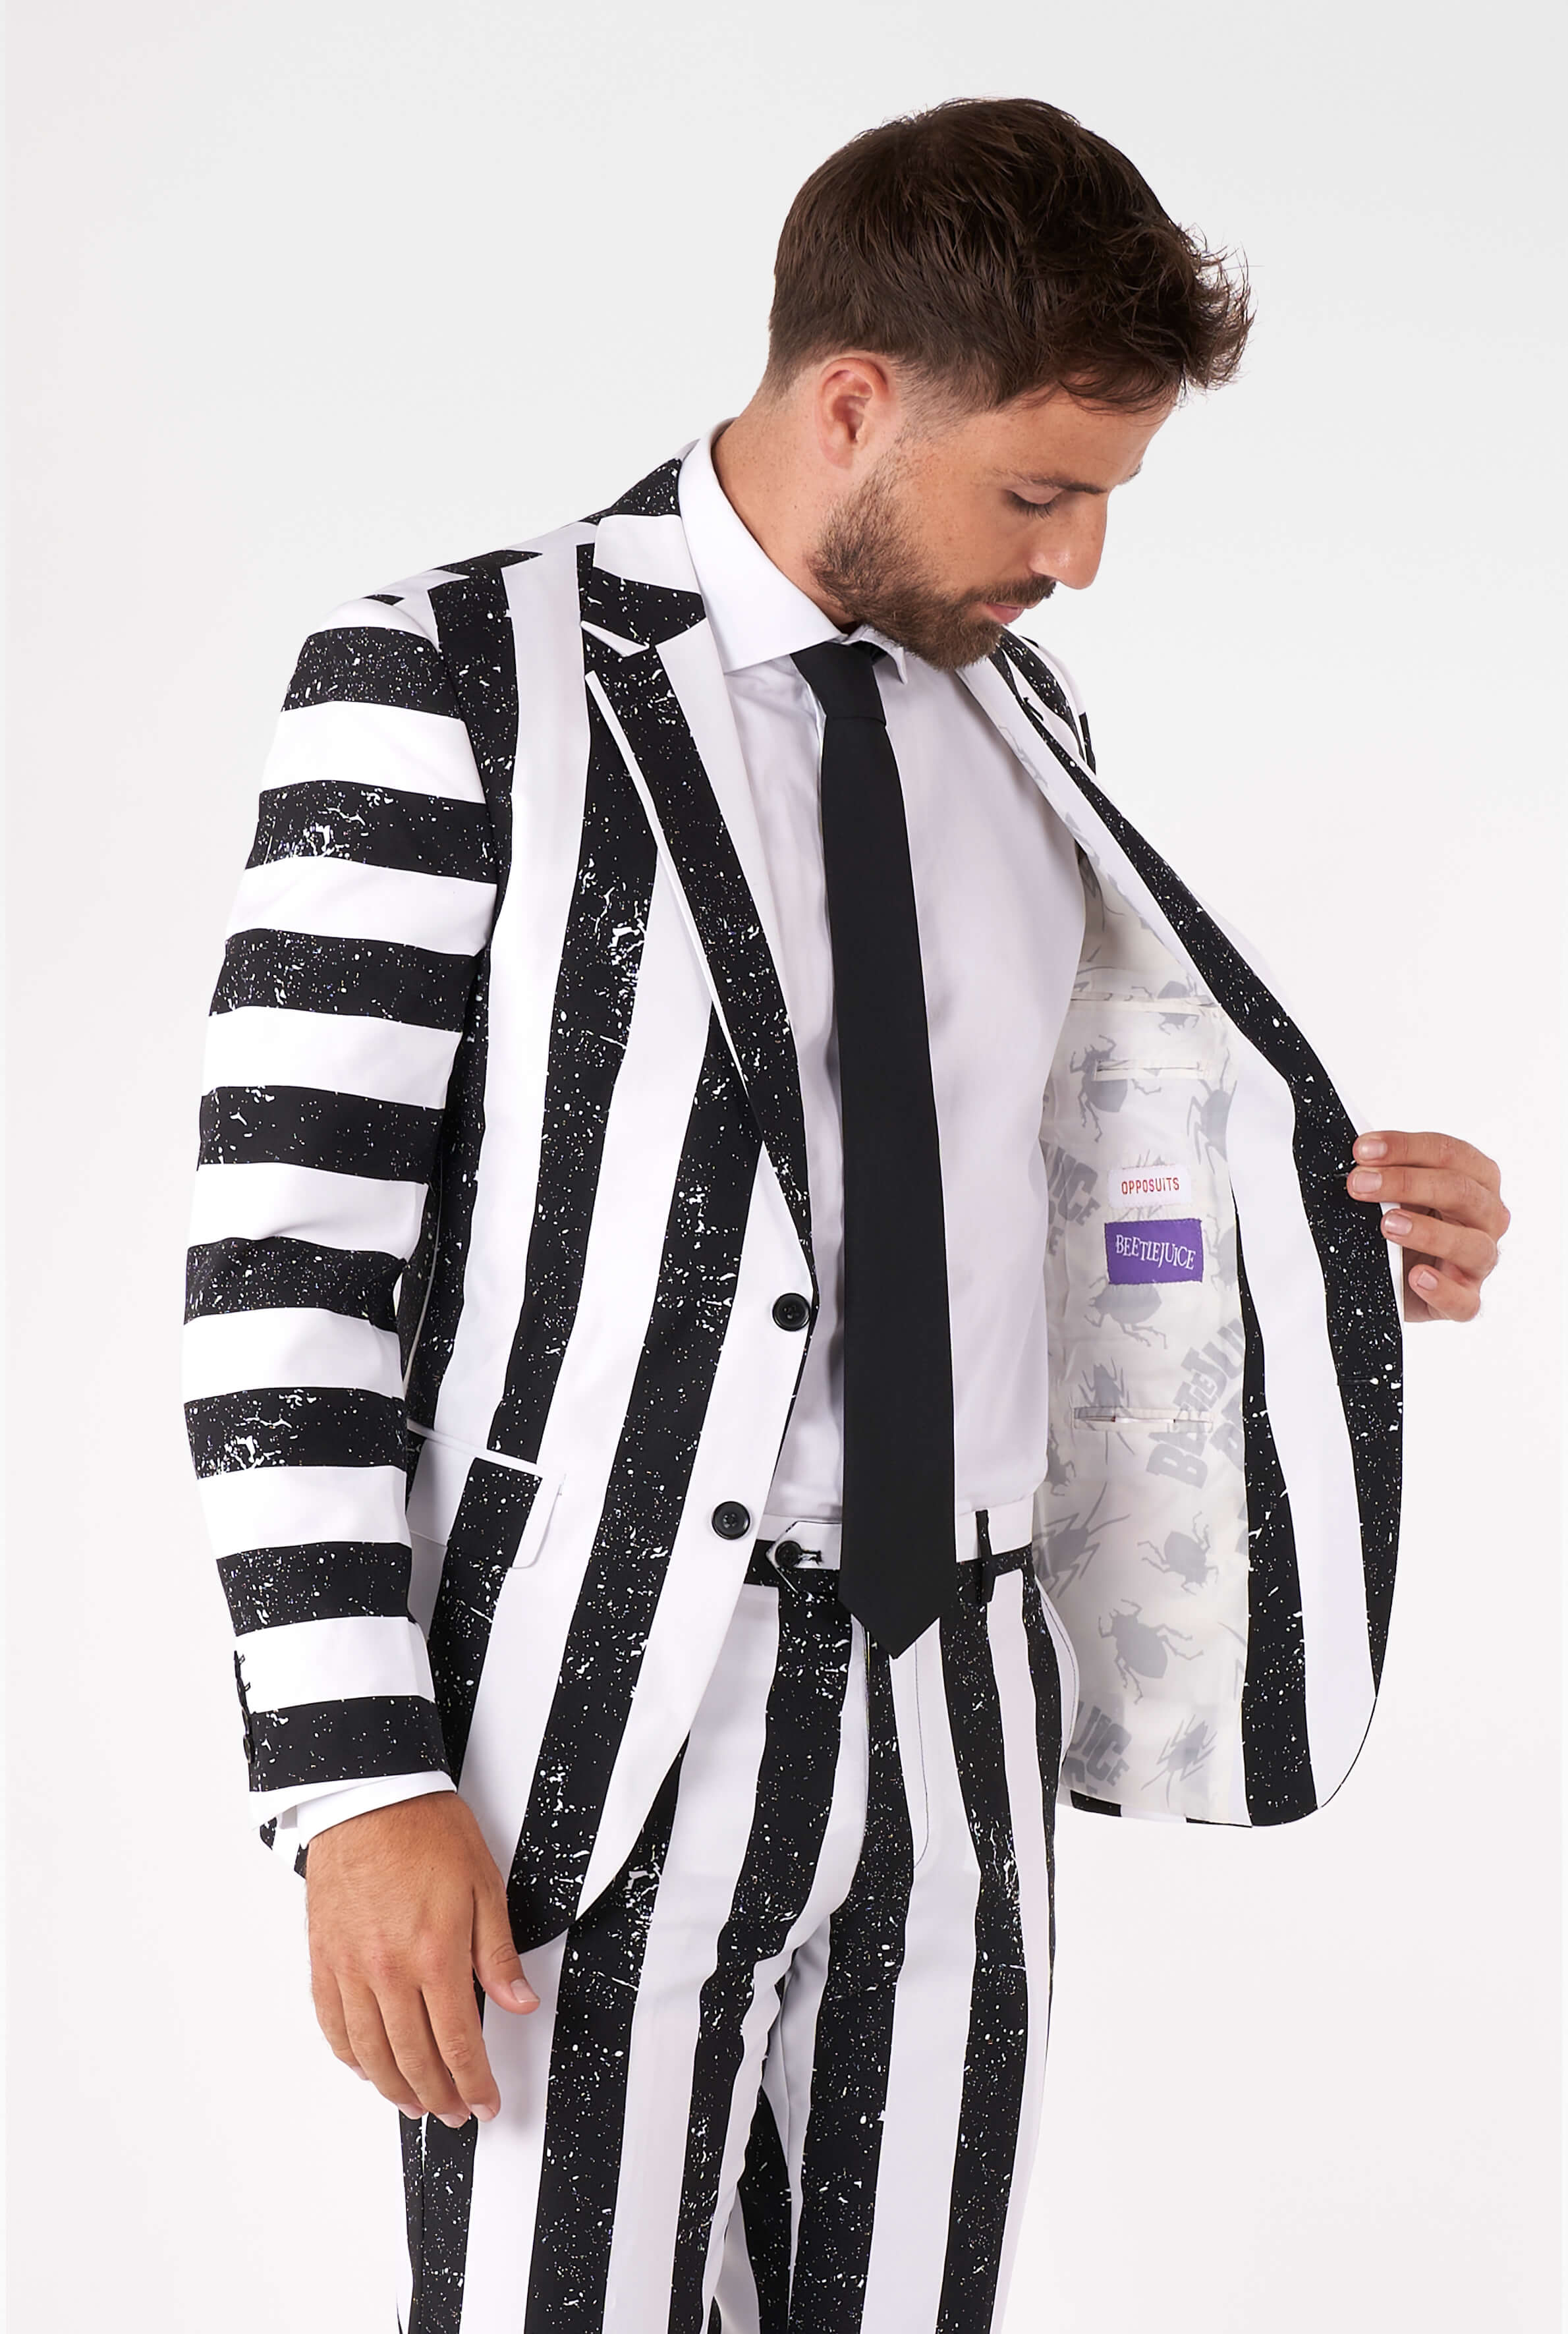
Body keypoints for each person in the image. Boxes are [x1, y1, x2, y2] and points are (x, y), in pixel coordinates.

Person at [183, 95, 1509, 2332]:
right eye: (1041, 492)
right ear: (854, 402)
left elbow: (1031, 1189)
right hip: (599, 1721)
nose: (1079, 559)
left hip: (964, 1696)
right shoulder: (457, 679)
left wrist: (1324, 1251)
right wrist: (352, 1779)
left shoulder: (1020, 721)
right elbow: (280, 1276)